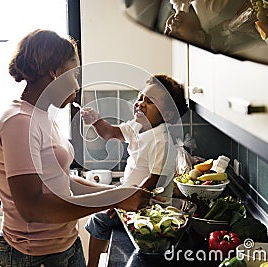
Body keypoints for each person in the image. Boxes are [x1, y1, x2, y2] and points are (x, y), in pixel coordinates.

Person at [0, 29, 152, 267]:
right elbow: (32, 208)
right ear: (54, 73)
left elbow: (64, 183)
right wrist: (115, 198)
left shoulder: (42, 117)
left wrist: (120, 193)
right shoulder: (19, 123)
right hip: (32, 256)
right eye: (74, 74)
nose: (77, 84)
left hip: (65, 245)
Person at [80, 74, 188, 267]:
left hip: (148, 208)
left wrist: (120, 203)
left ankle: (92, 264)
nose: (140, 104)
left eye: (150, 102)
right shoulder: (138, 126)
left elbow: (151, 183)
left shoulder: (161, 141)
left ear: (168, 115)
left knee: (98, 219)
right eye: (140, 98)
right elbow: (109, 133)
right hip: (129, 198)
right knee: (100, 215)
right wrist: (96, 120)